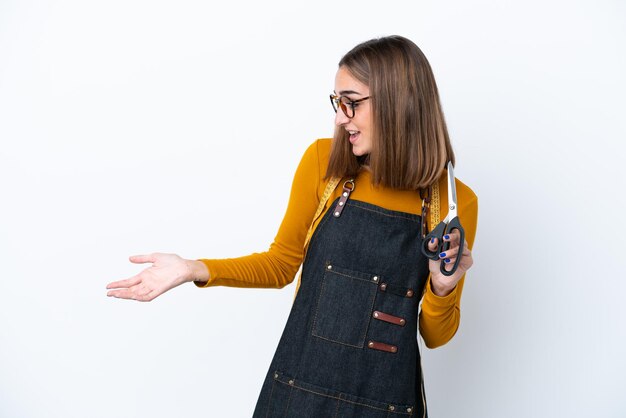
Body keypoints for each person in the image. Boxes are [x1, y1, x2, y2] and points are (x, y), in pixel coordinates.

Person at [107, 35, 477, 417]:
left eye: (351, 102)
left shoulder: (452, 204)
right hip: (297, 393)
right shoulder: (324, 164)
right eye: (337, 103)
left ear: (398, 102)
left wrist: (443, 287)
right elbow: (282, 263)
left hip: (386, 405)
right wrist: (193, 269)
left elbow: (436, 336)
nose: (339, 118)